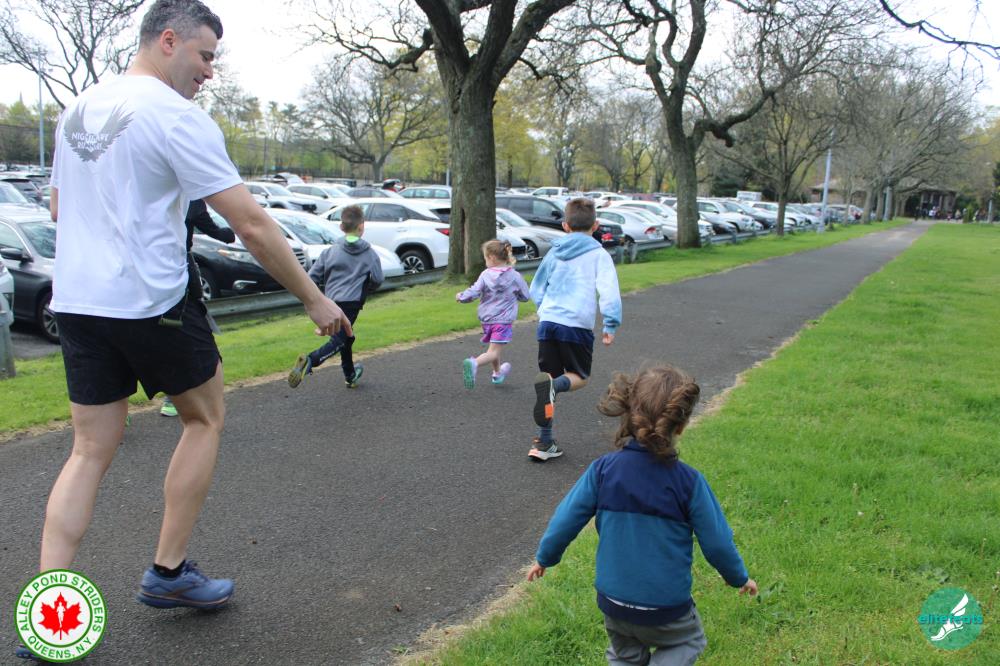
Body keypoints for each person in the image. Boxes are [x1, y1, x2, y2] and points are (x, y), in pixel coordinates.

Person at [18, 2, 349, 657]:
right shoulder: (175, 116)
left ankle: (49, 625)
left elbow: (58, 206)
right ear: (168, 40)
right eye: (204, 56)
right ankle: (168, 574)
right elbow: (251, 224)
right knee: (204, 417)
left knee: (89, 451)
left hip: (77, 302)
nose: (209, 72)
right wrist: (314, 300)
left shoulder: (78, 109)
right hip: (152, 300)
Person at [526, 366, 758, 664]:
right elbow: (717, 543)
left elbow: (565, 520)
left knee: (625, 655)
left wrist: (545, 558)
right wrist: (738, 577)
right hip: (667, 607)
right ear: (680, 426)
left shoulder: (603, 471)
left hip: (613, 603)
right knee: (689, 641)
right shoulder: (689, 483)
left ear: (629, 415)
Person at [527, 197, 621, 462]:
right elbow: (609, 293)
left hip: (548, 322)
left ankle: (544, 442)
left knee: (548, 379)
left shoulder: (554, 252)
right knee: (579, 376)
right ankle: (554, 387)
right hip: (576, 324)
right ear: (596, 225)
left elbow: (537, 287)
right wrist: (610, 324)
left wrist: (545, 310)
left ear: (565, 226)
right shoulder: (599, 255)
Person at [287, 204, 382, 389]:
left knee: (347, 336)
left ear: (341, 227)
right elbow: (378, 279)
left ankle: (350, 375)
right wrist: (366, 288)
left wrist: (320, 297)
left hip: (331, 302)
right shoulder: (370, 254)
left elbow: (311, 278)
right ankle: (311, 360)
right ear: (362, 226)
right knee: (340, 339)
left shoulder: (329, 252)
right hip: (352, 303)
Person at [161, 199, 236, 417]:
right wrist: (231, 230)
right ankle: (175, 398)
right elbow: (220, 233)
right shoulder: (190, 200)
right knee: (187, 333)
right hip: (179, 273)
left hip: (137, 275)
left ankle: (117, 403)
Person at [456, 240, 530, 388]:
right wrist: (517, 296)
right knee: (494, 351)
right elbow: (525, 296)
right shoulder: (514, 276)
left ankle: (497, 373)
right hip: (503, 320)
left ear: (491, 257)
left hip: (487, 319)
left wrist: (461, 296)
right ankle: (474, 363)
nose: (485, 261)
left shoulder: (485, 275)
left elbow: (474, 292)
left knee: (494, 348)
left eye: (485, 258)